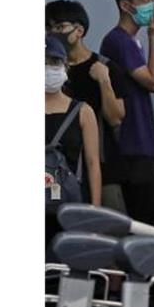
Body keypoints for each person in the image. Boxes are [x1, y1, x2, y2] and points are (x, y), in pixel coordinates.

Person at [46, 0, 128, 210]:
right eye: (48, 27)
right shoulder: (48, 73)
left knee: (106, 232)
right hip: (53, 172)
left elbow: (116, 117)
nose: (53, 32)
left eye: (59, 26)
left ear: (79, 30)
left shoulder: (104, 67)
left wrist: (104, 81)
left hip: (102, 166)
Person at [99, 0, 154, 228]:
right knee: (147, 225)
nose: (151, 6)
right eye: (145, 0)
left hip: (141, 145)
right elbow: (153, 81)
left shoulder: (129, 42)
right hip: (132, 146)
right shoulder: (119, 41)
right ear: (126, 5)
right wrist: (153, 38)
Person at [47, 34, 103, 249]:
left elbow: (92, 163)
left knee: (72, 271)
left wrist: (95, 211)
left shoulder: (82, 111)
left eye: (54, 62)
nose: (48, 68)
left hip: (72, 206)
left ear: (65, 66)